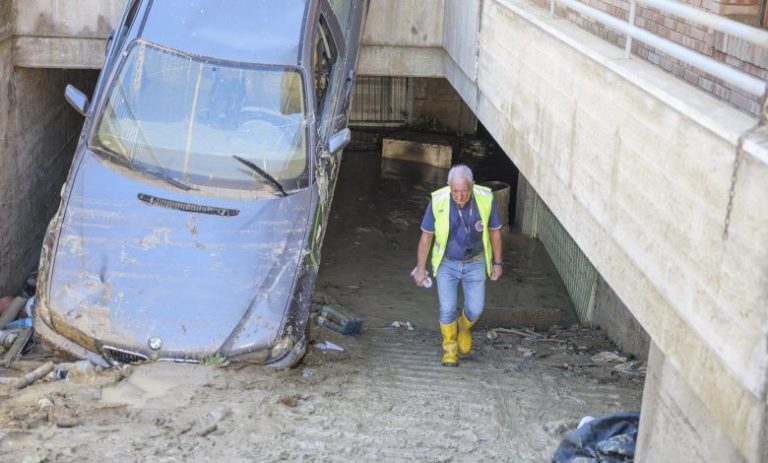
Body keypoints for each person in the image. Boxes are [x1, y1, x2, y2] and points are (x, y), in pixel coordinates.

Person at [412, 164, 503, 366]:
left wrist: (498, 263)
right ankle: (449, 350)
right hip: (447, 263)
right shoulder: (438, 201)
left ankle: (463, 327)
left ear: (472, 186)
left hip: (476, 262)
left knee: (476, 308)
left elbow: (495, 232)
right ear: (449, 187)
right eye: (455, 191)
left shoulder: (486, 198)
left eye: (464, 191)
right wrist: (420, 267)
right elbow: (426, 236)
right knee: (447, 308)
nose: (460, 196)